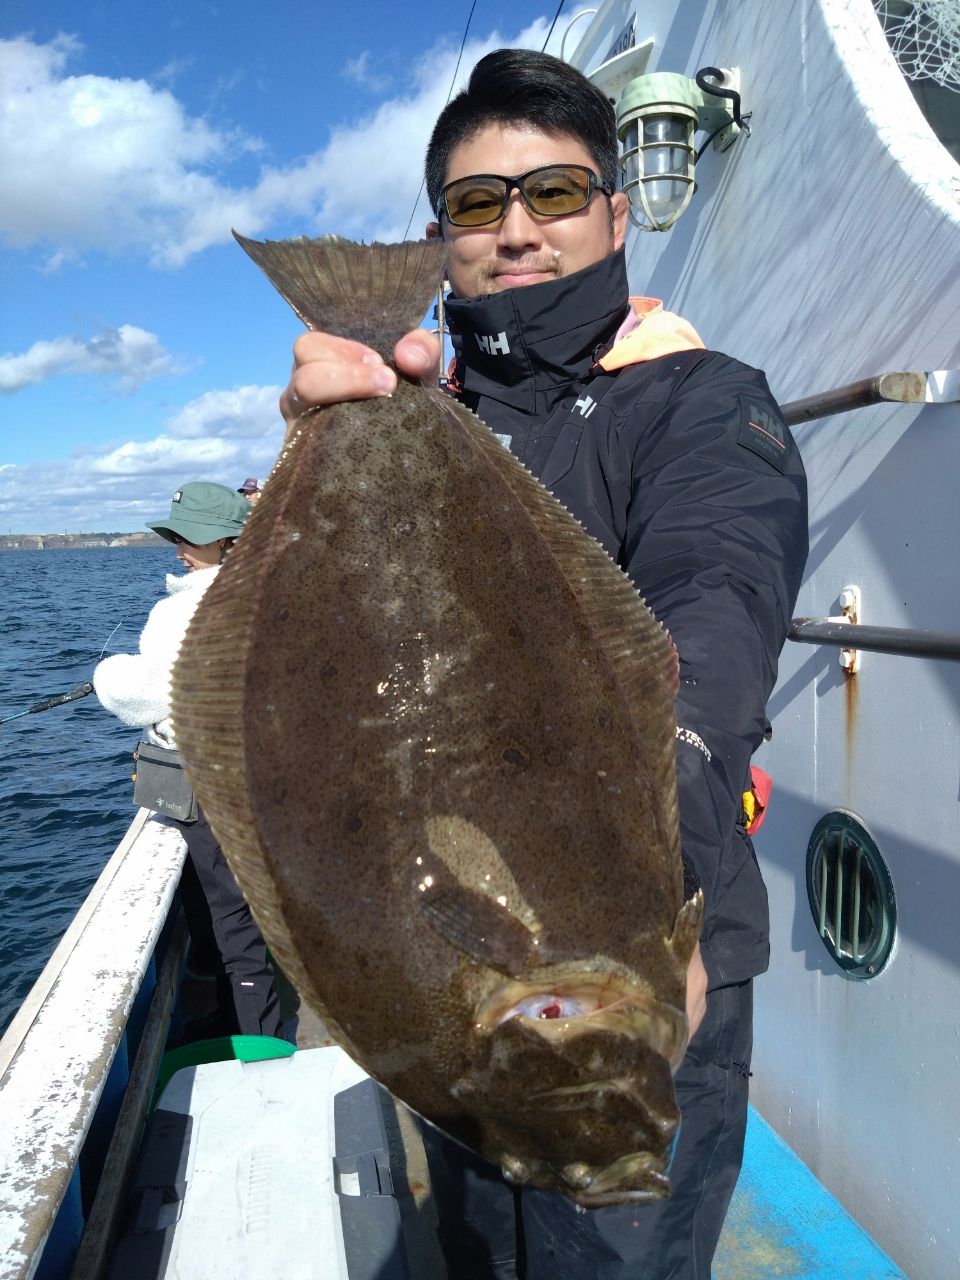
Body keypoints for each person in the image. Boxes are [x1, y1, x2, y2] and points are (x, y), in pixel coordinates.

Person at [278, 49, 807, 1280]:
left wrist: (643, 865)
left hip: (636, 949)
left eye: (555, 193)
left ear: (617, 213)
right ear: (441, 240)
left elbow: (716, 600)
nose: (515, 230)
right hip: (443, 963)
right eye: (477, 205)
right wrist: (321, 459)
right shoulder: (421, 412)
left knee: (613, 1248)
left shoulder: (701, 402)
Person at [93, 481, 285, 1043]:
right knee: (244, 905)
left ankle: (262, 1039)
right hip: (257, 774)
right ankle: (240, 1018)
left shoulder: (181, 611)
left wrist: (106, 675)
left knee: (229, 919)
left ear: (228, 540)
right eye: (177, 535)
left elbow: (144, 694)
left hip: (207, 781)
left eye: (192, 538)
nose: (181, 546)